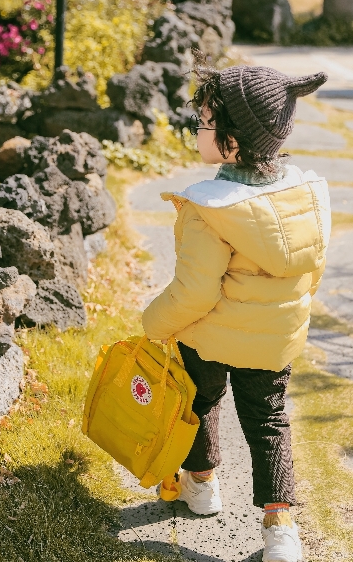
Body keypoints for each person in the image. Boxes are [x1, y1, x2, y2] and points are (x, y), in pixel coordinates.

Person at [141, 64, 330, 562]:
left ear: (232, 142)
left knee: (200, 401)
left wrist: (152, 323)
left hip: (210, 333)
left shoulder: (212, 208)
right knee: (269, 421)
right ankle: (281, 530)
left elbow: (194, 292)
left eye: (203, 123)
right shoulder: (304, 195)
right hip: (273, 338)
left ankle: (201, 485)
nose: (196, 131)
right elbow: (314, 268)